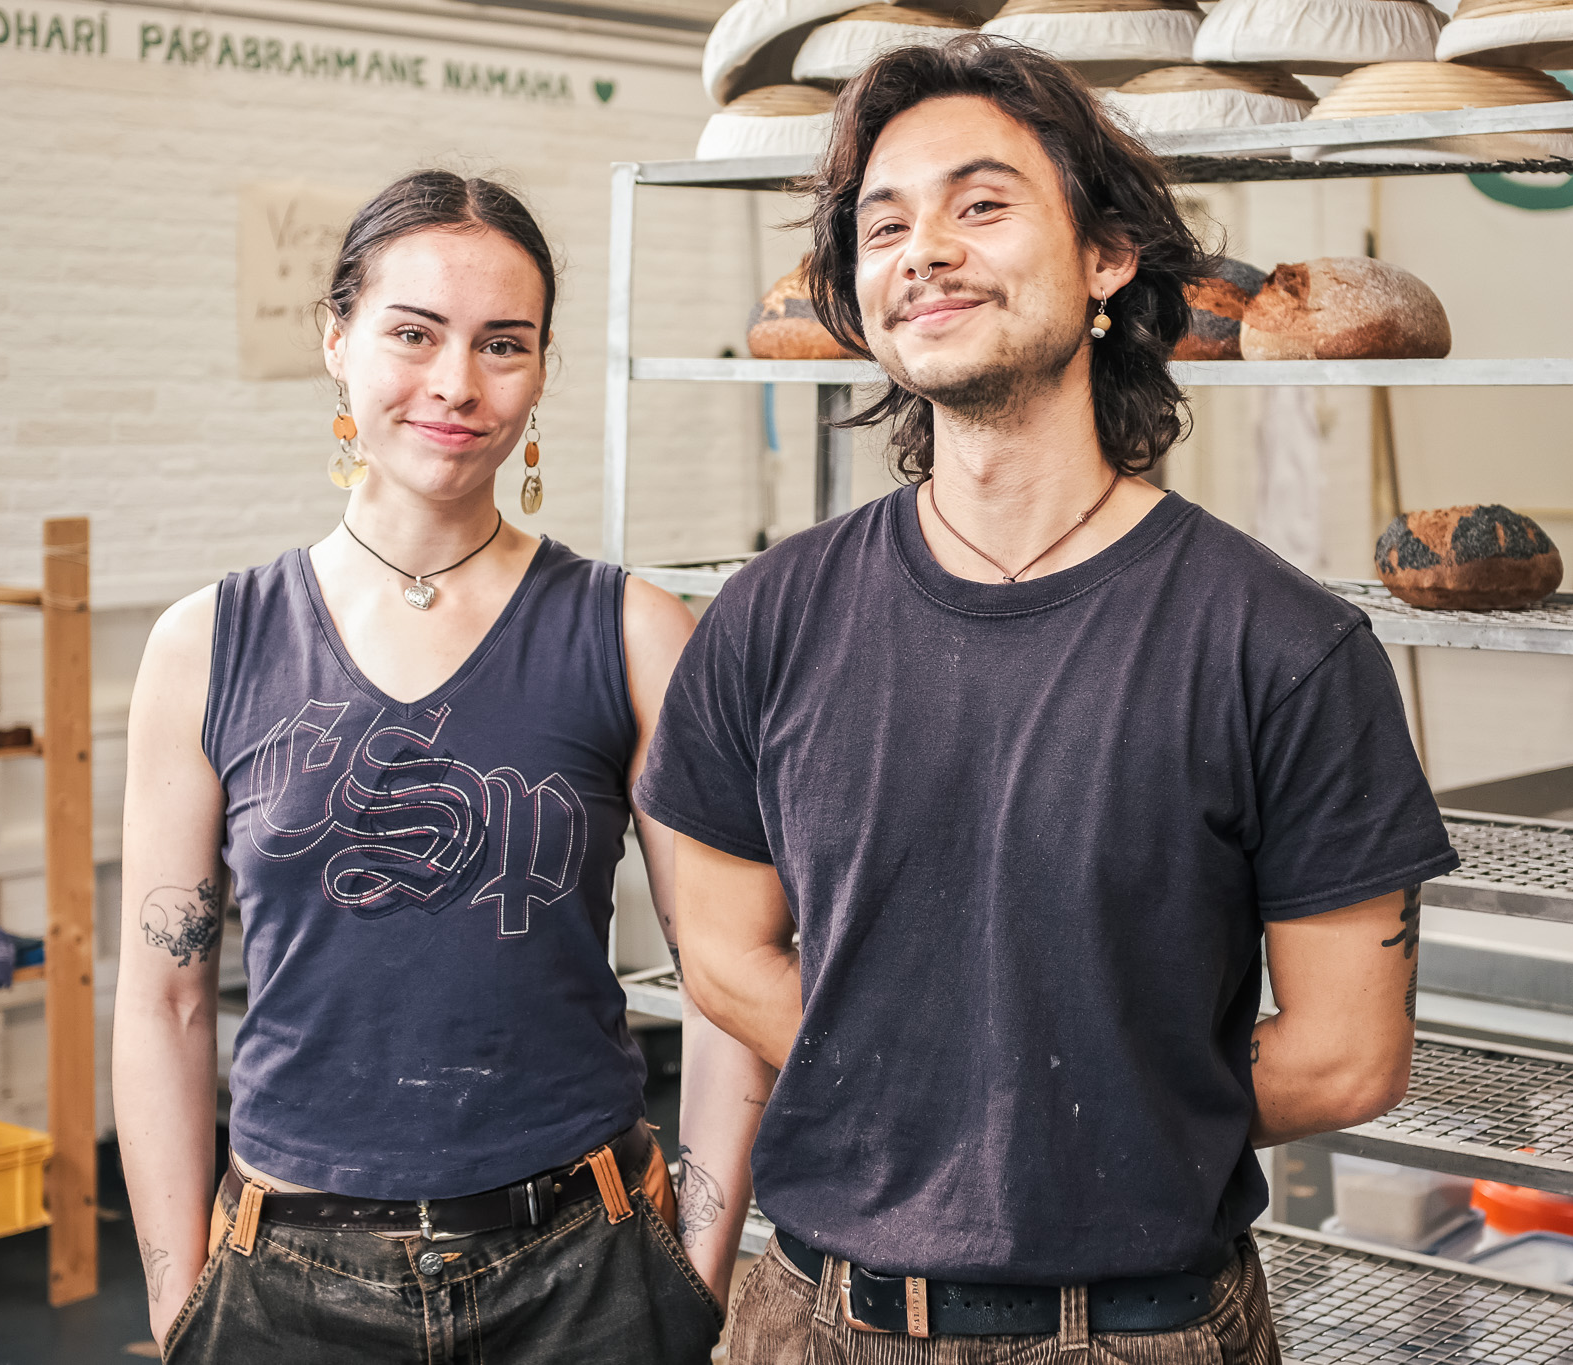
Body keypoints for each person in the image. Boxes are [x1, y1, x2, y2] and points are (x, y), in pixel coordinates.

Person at [637, 35, 1459, 1365]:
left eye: (982, 203)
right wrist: (956, 1094)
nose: (925, 250)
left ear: (1107, 259)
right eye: (883, 223)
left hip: (1139, 1334)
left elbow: (1347, 1056)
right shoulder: (768, 620)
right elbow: (726, 953)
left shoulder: (1280, 646)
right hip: (812, 1319)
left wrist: (1075, 1111)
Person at [112, 169, 770, 1363]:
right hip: (286, 1275)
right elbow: (161, 1000)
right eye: (412, 333)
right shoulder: (206, 643)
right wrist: (177, 1301)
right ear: (337, 340)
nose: (457, 384)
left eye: (502, 344)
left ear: (540, 367)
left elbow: (728, 976)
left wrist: (697, 1269)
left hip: (584, 1268)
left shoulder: (633, 633)